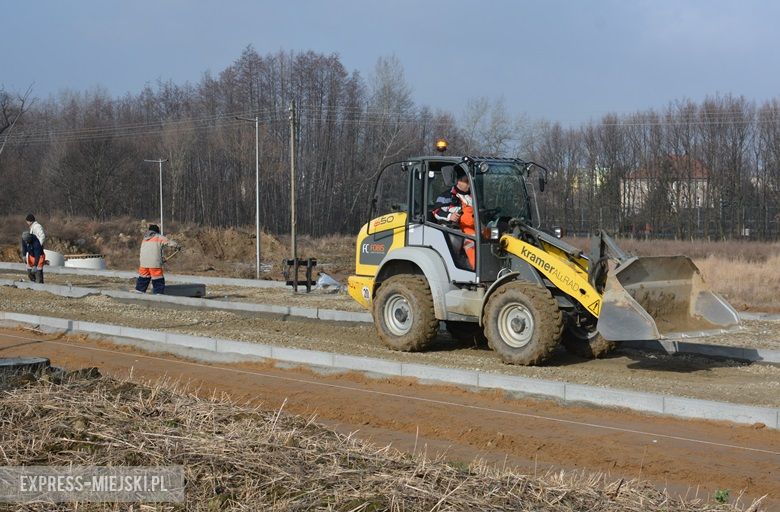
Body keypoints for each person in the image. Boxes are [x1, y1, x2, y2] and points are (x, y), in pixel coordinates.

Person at [432, 173, 476, 269]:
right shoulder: (446, 196)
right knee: (466, 245)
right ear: (458, 181)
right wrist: (450, 216)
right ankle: (466, 269)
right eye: (466, 181)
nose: (469, 184)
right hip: (452, 230)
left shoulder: (473, 197)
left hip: (471, 229)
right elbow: (436, 211)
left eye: (470, 181)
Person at [135, 224, 179, 294]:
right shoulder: (159, 237)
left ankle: (139, 292)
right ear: (157, 231)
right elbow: (169, 242)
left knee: (143, 279)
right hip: (154, 264)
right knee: (158, 279)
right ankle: (158, 294)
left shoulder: (145, 238)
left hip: (143, 263)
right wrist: (177, 246)